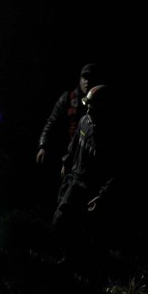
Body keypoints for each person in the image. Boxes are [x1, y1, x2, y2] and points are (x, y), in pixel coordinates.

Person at [52, 85, 120, 274]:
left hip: (90, 188)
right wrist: (66, 162)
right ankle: (72, 259)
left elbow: (116, 172)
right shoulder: (84, 122)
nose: (88, 109)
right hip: (74, 178)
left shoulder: (111, 137)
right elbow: (74, 144)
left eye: (93, 106)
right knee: (61, 219)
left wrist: (103, 196)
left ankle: (80, 264)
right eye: (88, 105)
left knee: (76, 225)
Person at [35, 63, 105, 212]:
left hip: (86, 155)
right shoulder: (68, 98)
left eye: (90, 78)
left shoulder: (99, 100)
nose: (87, 81)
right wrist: (43, 145)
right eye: (84, 77)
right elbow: (52, 121)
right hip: (67, 150)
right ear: (79, 79)